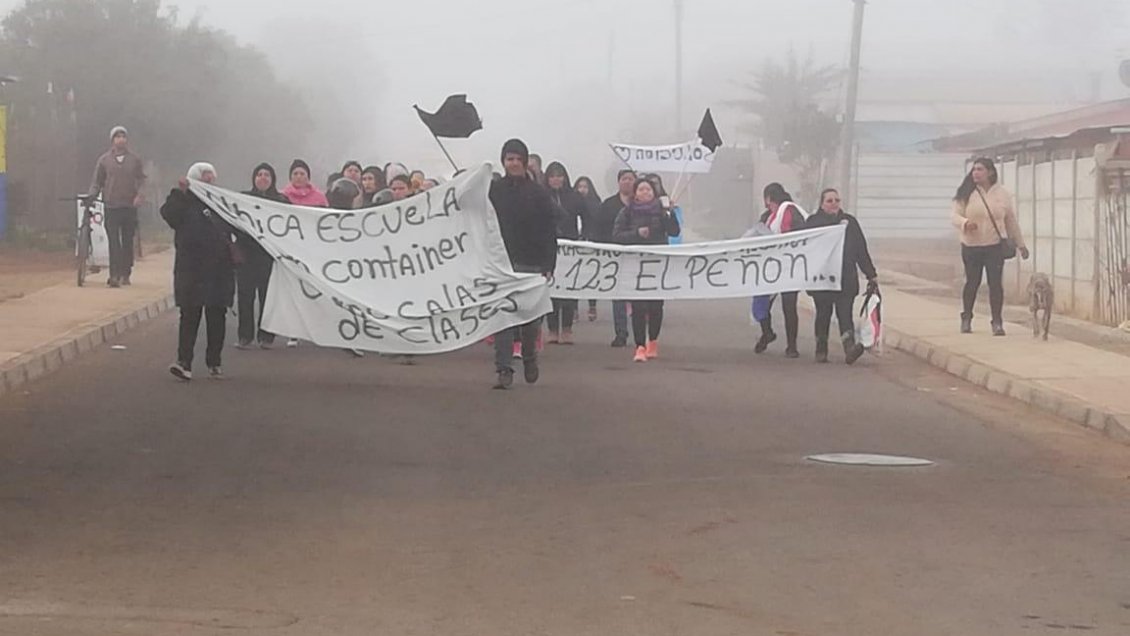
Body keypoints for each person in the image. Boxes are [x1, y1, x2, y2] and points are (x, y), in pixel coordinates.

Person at [488, 138, 557, 390]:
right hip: (502, 264)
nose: (514, 163)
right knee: (503, 319)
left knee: (529, 319)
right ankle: (503, 369)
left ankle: (529, 357)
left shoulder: (539, 193)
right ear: (503, 162)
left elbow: (550, 230)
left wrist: (549, 263)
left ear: (525, 162)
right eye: (510, 159)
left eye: (518, 159)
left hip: (532, 264)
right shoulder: (494, 191)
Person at [160, 163, 235, 381]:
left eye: (211, 177)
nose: (208, 181)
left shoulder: (221, 202)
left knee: (216, 315)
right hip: (191, 267)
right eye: (203, 177)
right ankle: (184, 362)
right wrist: (181, 193)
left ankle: (214, 361)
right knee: (189, 315)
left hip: (219, 268)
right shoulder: (183, 201)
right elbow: (169, 214)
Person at [951, 157, 1029, 336]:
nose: (976, 173)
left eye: (980, 169)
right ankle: (966, 317)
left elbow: (1010, 221)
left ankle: (997, 322)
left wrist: (1021, 244)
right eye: (974, 170)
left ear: (990, 172)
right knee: (972, 282)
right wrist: (965, 223)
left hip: (994, 246)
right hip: (971, 246)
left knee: (995, 285)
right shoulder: (966, 193)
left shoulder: (1002, 194)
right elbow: (954, 215)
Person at [806, 188, 878, 364]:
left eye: (836, 200)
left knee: (845, 314)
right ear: (822, 204)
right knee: (823, 314)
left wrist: (871, 274)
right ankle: (821, 348)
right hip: (823, 279)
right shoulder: (813, 223)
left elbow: (860, 249)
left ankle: (849, 348)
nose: (834, 204)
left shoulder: (850, 223)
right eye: (829, 201)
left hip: (845, 278)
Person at [613, 178, 681, 363]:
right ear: (635, 193)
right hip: (636, 264)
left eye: (648, 189)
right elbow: (617, 235)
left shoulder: (662, 211)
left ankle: (653, 342)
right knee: (638, 307)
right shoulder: (627, 212)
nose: (645, 192)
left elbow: (674, 232)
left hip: (657, 264)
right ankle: (640, 346)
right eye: (641, 189)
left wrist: (670, 214)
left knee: (655, 306)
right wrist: (636, 234)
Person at [87, 125, 147, 287]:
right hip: (111, 205)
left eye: (123, 136)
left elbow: (142, 179)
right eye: (117, 136)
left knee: (127, 241)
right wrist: (92, 196)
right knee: (113, 241)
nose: (121, 139)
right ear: (112, 140)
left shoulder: (134, 160)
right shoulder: (104, 160)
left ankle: (126, 272)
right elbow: (97, 182)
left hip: (129, 206)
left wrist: (140, 195)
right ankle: (114, 275)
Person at [236, 163, 287, 350]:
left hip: (269, 256)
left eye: (267, 175)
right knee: (245, 297)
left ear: (273, 179)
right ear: (254, 178)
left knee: (268, 298)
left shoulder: (282, 201)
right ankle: (245, 336)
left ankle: (266, 336)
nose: (263, 178)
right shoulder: (242, 199)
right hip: (246, 255)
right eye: (259, 174)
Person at [753, 182, 807, 358]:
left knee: (788, 305)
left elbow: (800, 233)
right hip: (770, 266)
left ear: (769, 198)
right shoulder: (768, 216)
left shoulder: (790, 211)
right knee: (761, 303)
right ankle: (767, 332)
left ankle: (792, 346)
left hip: (789, 265)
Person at [544, 162, 586, 344]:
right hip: (549, 245)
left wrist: (585, 237)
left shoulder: (574, 197)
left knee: (569, 288)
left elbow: (587, 217)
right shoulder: (542, 196)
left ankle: (567, 328)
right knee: (551, 289)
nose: (556, 179)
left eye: (559, 175)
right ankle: (553, 329)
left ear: (565, 177)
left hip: (570, 247)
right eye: (552, 176)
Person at [596, 169, 638, 346]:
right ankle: (621, 333)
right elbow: (599, 229)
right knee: (618, 295)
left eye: (630, 179)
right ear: (618, 182)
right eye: (624, 179)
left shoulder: (643, 204)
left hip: (637, 256)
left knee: (637, 298)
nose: (627, 182)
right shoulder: (608, 205)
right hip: (615, 255)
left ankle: (639, 335)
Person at [574, 175, 602, 322]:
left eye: (585, 187)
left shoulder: (596, 203)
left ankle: (592, 305)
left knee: (592, 275)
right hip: (575, 243)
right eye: (579, 187)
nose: (582, 190)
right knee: (574, 276)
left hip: (591, 241)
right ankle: (574, 308)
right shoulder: (571, 202)